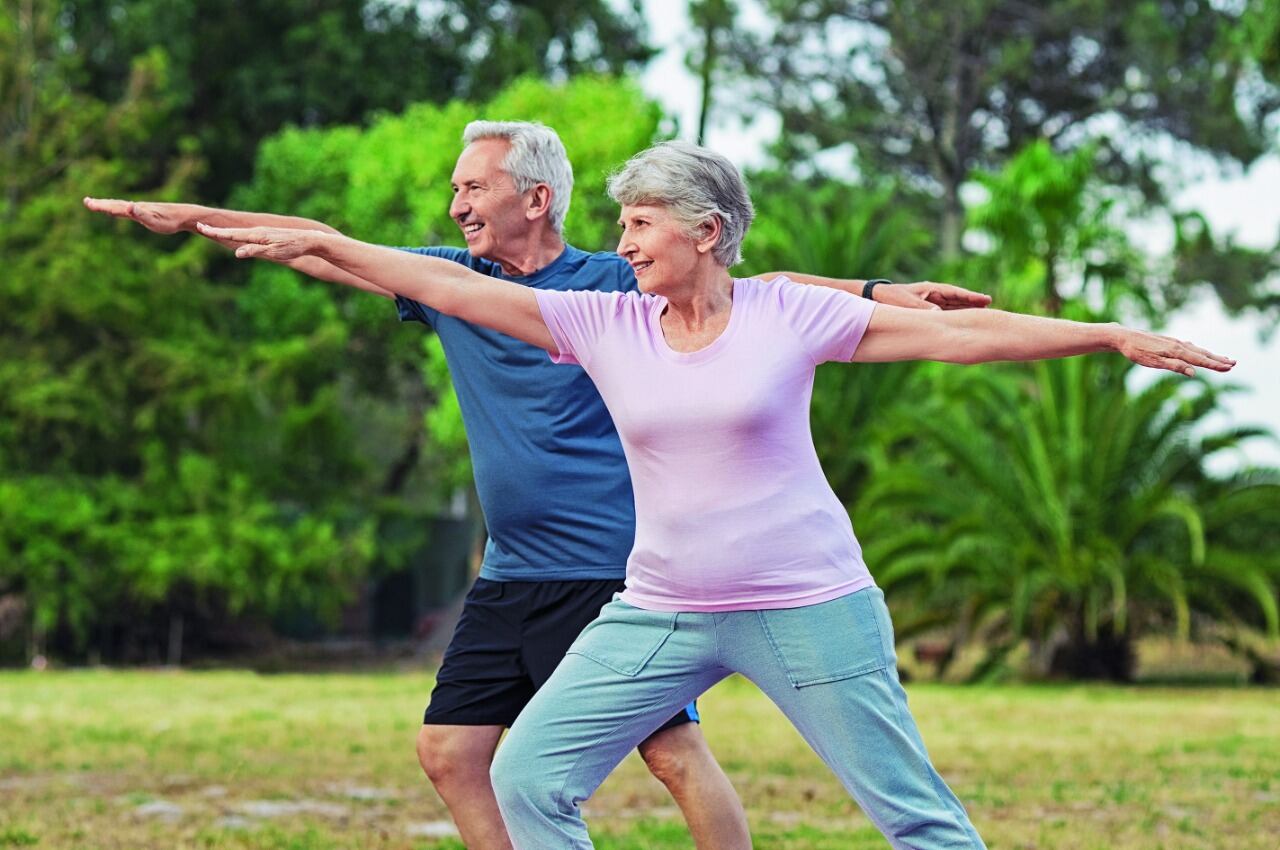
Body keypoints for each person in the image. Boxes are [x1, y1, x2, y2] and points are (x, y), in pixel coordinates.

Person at [193, 140, 1234, 849]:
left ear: (705, 230)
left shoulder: (787, 315)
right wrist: (323, 242)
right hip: (661, 608)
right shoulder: (606, 325)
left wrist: (1104, 335)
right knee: (527, 780)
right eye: (621, 221)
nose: (626, 238)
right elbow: (453, 286)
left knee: (914, 819)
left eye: (642, 220)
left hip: (805, 604)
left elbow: (962, 338)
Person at [84, 122, 992, 850]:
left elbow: (753, 288)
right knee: (452, 750)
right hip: (512, 568)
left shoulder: (608, 286)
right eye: (455, 190)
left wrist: (876, 290)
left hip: (609, 566)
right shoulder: (456, 283)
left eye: (473, 187)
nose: (457, 204)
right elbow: (329, 251)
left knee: (672, 756)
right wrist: (197, 217)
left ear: (536, 196)